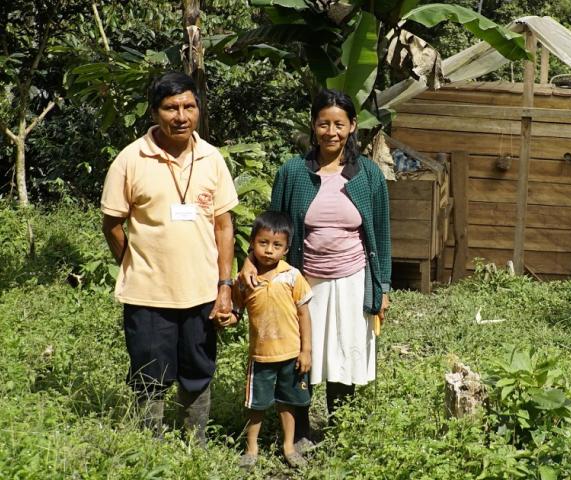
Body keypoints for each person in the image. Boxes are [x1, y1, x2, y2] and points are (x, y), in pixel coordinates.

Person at [240, 88, 391, 441]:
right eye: (324, 124)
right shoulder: (293, 171)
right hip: (304, 280)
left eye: (339, 124)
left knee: (344, 352)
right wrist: (250, 260)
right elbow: (272, 225)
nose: (331, 132)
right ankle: (301, 431)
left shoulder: (368, 174)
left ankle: (341, 427)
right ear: (313, 125)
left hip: (353, 279)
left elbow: (381, 234)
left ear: (352, 126)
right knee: (301, 352)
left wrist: (382, 287)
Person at [100, 72, 238, 445]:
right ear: (154, 112)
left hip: (201, 290)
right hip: (148, 293)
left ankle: (196, 441)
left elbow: (224, 226)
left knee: (198, 367)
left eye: (188, 106)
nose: (181, 116)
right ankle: (151, 445)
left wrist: (225, 285)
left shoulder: (211, 158)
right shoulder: (131, 159)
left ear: (198, 109)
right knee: (150, 371)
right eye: (170, 108)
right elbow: (112, 224)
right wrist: (134, 262)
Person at [230, 211, 313, 469]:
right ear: (252, 243)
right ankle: (251, 448)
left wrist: (306, 350)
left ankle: (289, 446)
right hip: (261, 355)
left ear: (286, 249)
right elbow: (235, 310)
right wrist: (226, 318)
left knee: (288, 403)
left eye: (277, 245)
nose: (269, 250)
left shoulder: (292, 276)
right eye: (263, 243)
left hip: (291, 354)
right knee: (256, 404)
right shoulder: (245, 280)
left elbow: (304, 314)